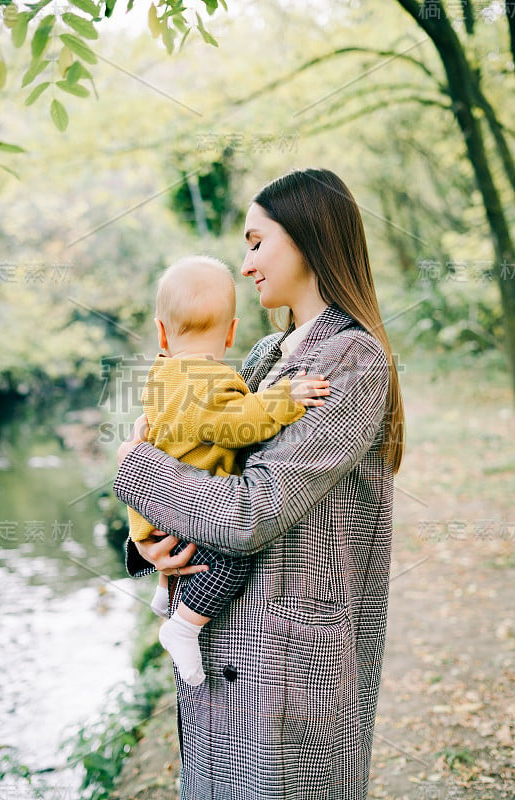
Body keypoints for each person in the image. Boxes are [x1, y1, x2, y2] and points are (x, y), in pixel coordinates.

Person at [114, 168, 405, 800]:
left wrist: (134, 470)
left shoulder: (354, 362)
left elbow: (252, 512)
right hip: (222, 653)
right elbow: (199, 467)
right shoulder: (262, 358)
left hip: (290, 667)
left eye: (255, 242)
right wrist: (146, 545)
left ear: (305, 238)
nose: (245, 266)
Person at [127, 255, 329, 686]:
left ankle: (165, 592)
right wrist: (285, 399)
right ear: (232, 331)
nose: (250, 260)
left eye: (258, 243)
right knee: (231, 561)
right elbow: (237, 423)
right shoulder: (209, 380)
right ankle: (183, 626)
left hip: (159, 516)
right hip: (193, 519)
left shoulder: (161, 377)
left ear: (160, 332)